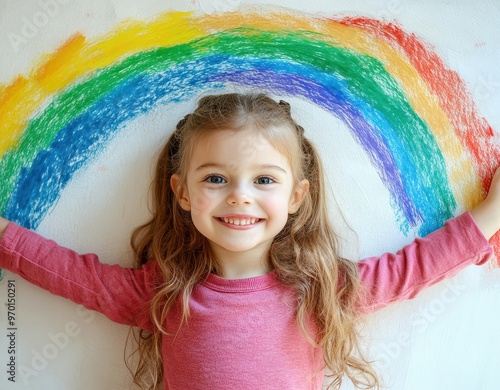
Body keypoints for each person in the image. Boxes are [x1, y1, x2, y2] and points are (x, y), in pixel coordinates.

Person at [0, 93, 499, 390]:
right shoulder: (162, 292)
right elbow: (67, 273)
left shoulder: (322, 289)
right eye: (215, 179)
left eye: (264, 181)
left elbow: (415, 267)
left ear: (297, 196)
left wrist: (492, 212)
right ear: (182, 192)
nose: (239, 197)